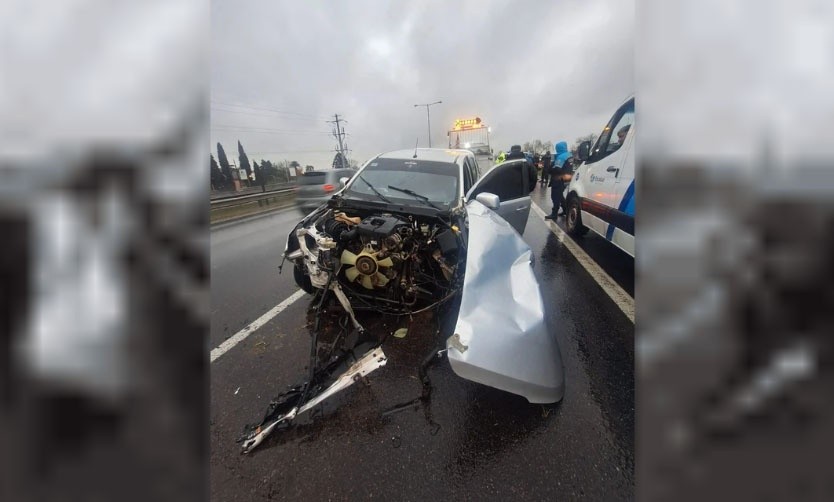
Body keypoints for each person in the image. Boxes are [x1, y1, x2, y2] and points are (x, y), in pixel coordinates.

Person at [544, 141, 572, 220]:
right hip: (566, 179)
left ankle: (554, 214)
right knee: (560, 196)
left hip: (558, 179)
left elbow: (557, 169)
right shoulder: (569, 155)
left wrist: (550, 169)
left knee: (555, 196)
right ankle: (565, 210)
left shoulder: (561, 157)